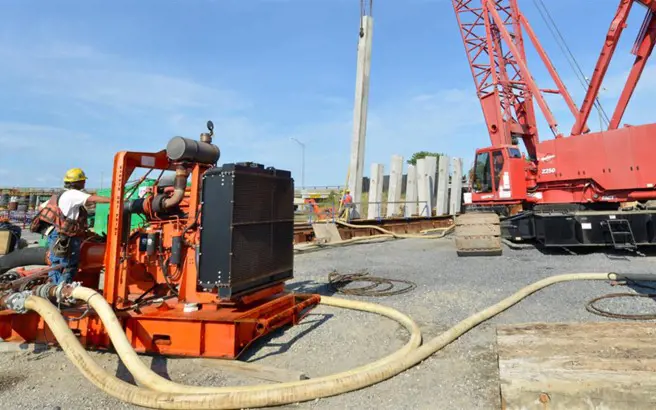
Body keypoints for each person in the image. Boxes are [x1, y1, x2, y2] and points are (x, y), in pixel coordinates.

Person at [30, 168, 111, 284]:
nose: (84, 183)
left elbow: (41, 207)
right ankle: (62, 291)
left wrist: (60, 218)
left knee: (56, 264)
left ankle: (54, 289)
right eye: (83, 180)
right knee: (69, 264)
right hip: (67, 237)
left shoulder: (59, 194)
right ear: (77, 182)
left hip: (55, 233)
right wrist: (115, 200)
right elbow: (93, 199)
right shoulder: (74, 194)